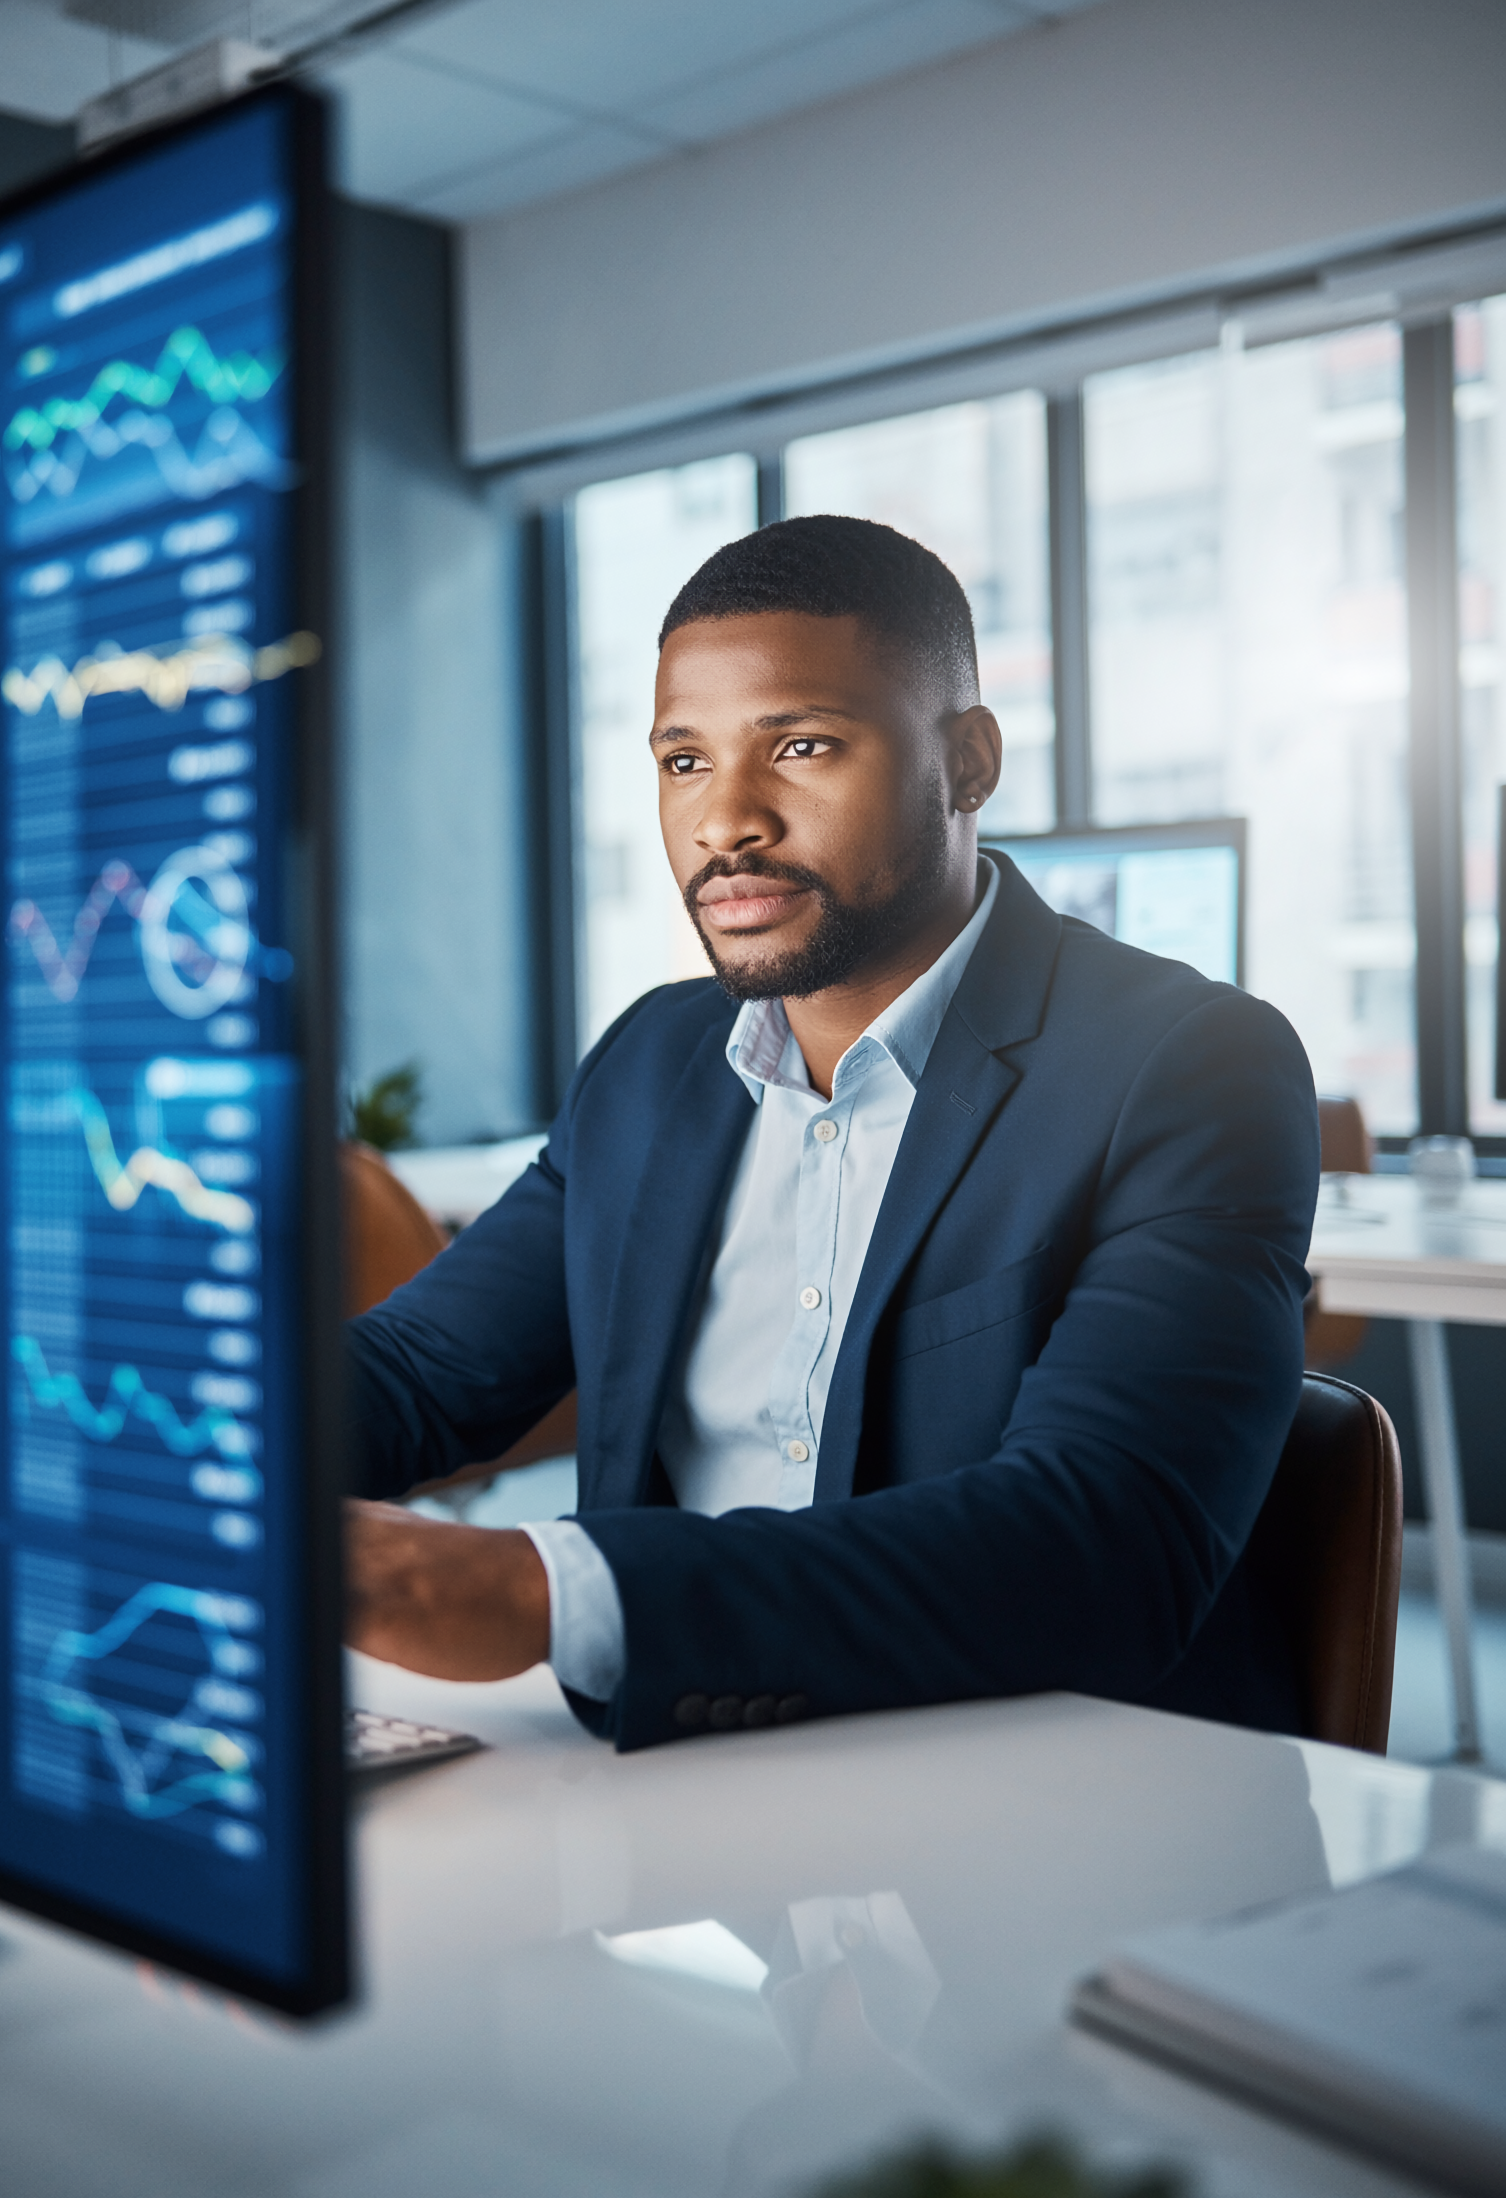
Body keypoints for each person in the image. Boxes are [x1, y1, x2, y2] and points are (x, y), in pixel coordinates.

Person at [345, 515, 1320, 1750]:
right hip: (689, 1790)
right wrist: (167, 1448)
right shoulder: (653, 1058)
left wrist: (538, 1591)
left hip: (1050, 1796)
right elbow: (425, 1374)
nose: (724, 822)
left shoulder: (1185, 1065)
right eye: (682, 762)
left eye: (800, 746)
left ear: (966, 762)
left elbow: (1108, 1541)